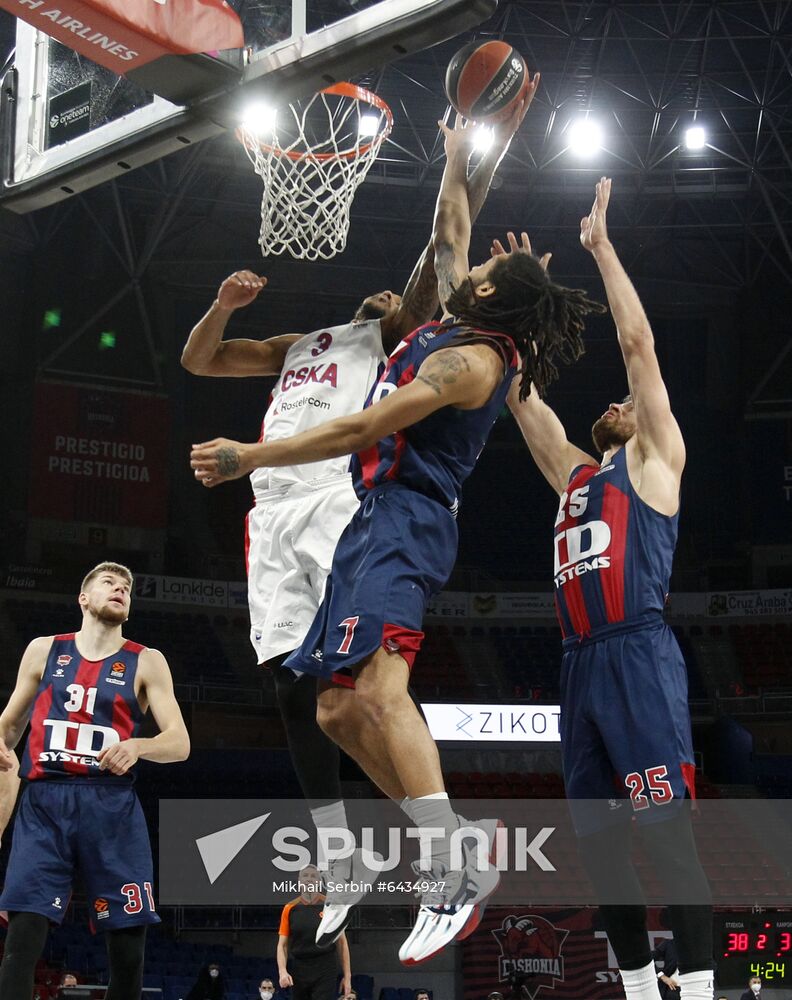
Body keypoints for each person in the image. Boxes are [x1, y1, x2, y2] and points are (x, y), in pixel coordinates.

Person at [190, 95, 605, 965]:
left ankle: (452, 866)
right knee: (335, 709)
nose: (467, 275)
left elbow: (354, 432)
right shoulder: (454, 321)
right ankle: (436, 846)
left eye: (484, 280)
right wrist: (456, 153)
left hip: (404, 520)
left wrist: (249, 456)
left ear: (495, 303)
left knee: (378, 693)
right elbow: (450, 227)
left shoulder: (466, 361)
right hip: (369, 523)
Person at [507, 178, 713, 1000]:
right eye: (617, 405)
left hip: (635, 655)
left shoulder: (654, 462)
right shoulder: (575, 476)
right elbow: (524, 407)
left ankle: (695, 994)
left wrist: (600, 250)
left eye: (626, 403)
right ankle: (634, 990)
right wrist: (516, 311)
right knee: (599, 853)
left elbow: (637, 346)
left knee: (668, 843)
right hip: (578, 666)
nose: (617, 402)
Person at [0, 561, 190, 1000]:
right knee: (22, 935)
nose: (121, 589)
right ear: (83, 598)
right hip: (45, 801)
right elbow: (9, 730)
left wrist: (138, 746)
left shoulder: (147, 660)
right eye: (110, 583)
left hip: (111, 804)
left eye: (126, 587)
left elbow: (179, 743)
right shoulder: (44, 650)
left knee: (128, 946)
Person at [277, 865, 351, 1000]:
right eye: (305, 876)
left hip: (325, 966)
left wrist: (347, 977)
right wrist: (282, 971)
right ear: (299, 880)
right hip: (300, 967)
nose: (309, 879)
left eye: (313, 876)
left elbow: (342, 943)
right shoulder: (289, 908)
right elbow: (282, 945)